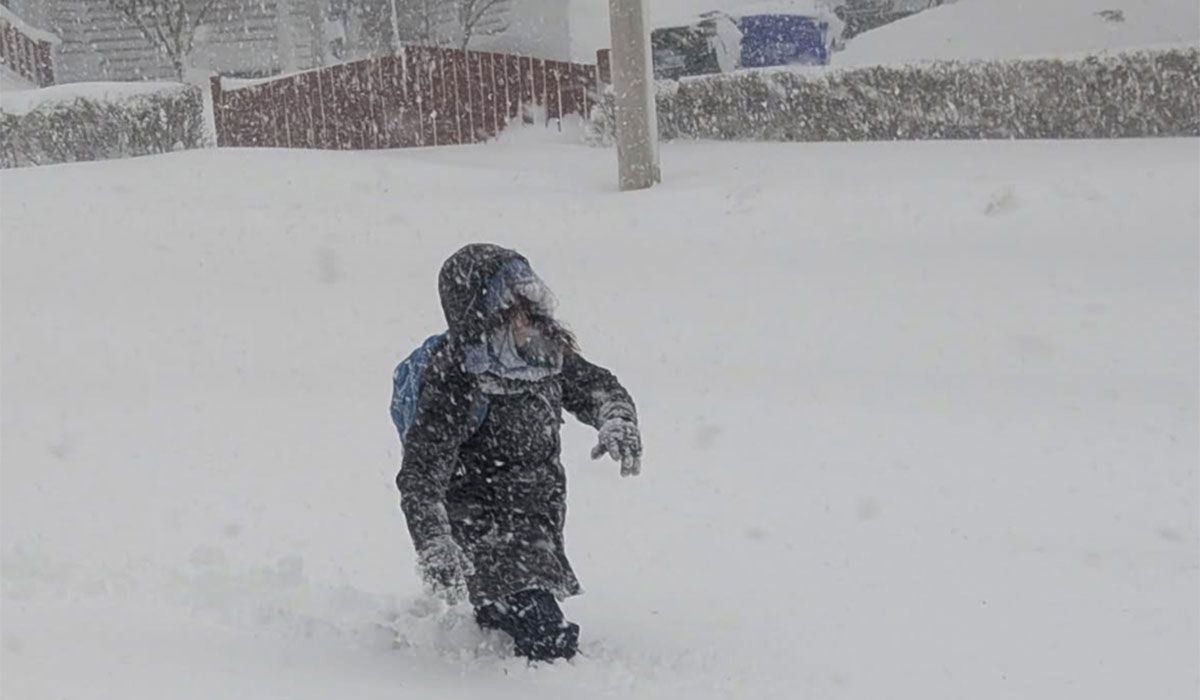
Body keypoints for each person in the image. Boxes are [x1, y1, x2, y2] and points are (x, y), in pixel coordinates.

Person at [395, 243, 642, 662]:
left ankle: (493, 623)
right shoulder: (455, 381)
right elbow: (420, 476)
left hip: (534, 523)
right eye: (510, 310)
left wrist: (615, 416)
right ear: (479, 315)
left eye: (527, 306)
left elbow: (597, 387)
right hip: (482, 529)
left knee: (521, 618)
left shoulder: (546, 353)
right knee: (549, 641)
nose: (524, 319)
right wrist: (436, 540)